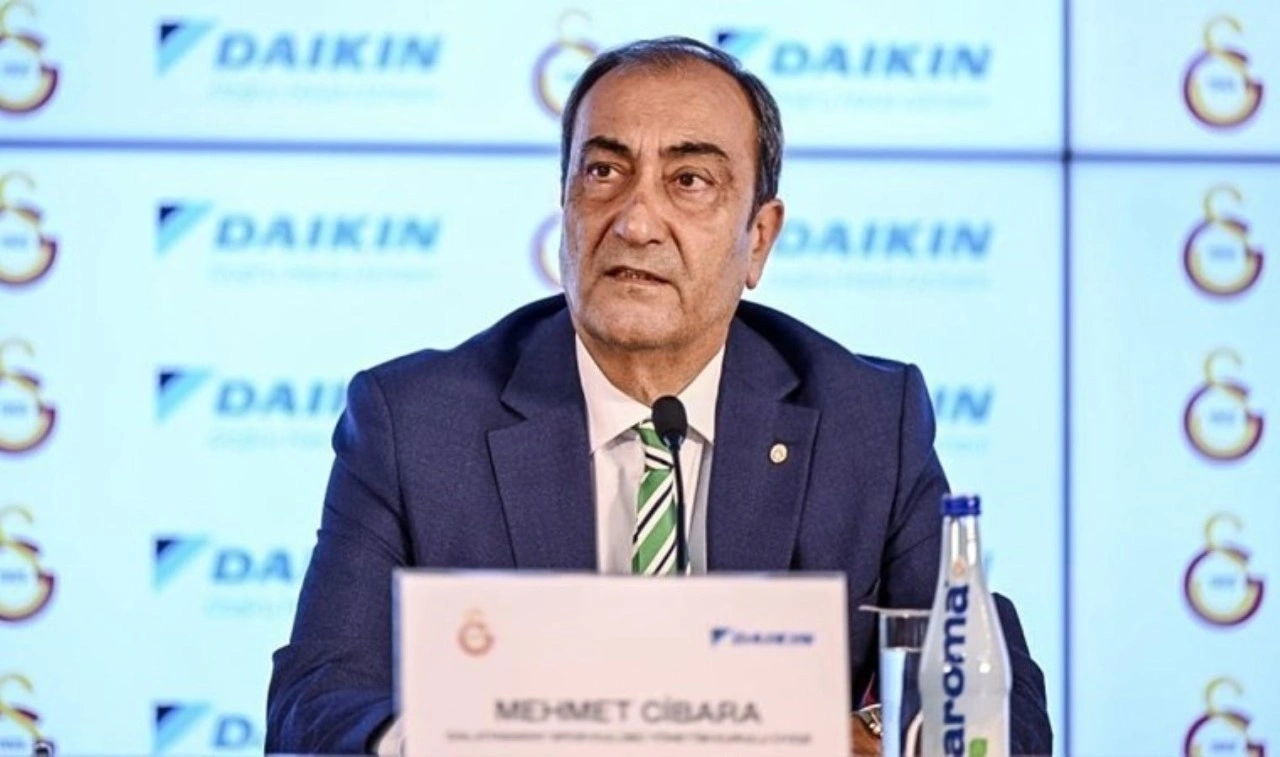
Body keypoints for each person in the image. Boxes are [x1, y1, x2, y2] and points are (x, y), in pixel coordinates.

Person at [265, 36, 1052, 755]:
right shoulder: (415, 422)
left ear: (759, 238)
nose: (637, 220)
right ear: (565, 204)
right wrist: (460, 737)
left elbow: (1000, 701)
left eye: (690, 181)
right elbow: (313, 705)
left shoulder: (867, 421)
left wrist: (868, 732)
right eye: (604, 172)